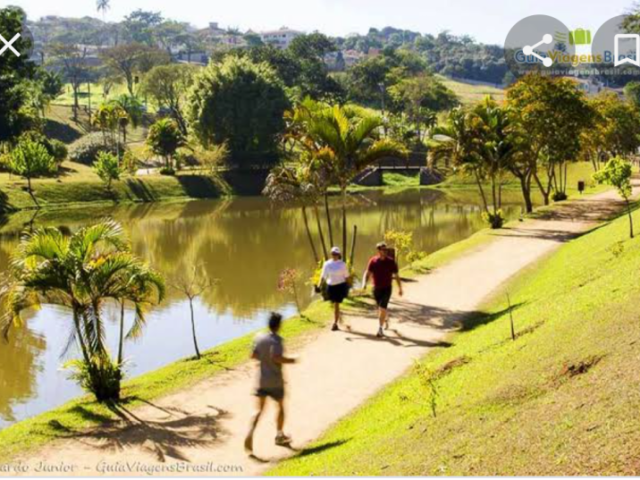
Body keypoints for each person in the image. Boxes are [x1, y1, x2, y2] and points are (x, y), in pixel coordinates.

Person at [245, 312, 297, 455]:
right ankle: (279, 435)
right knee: (280, 407)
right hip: (275, 381)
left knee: (258, 411)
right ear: (279, 325)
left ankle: (250, 432)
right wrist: (292, 360)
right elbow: (276, 357)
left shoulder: (259, 337)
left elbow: (253, 355)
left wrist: (264, 359)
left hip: (261, 380)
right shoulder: (277, 340)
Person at [362, 242, 403, 338]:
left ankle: (380, 329)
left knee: (382, 307)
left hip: (387, 288)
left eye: (386, 250)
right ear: (379, 251)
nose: (385, 251)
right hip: (376, 288)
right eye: (383, 250)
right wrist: (364, 283)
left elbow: (396, 276)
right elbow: (367, 273)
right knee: (380, 308)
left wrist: (400, 288)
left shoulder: (391, 262)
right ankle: (385, 319)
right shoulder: (373, 261)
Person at [318, 246, 350, 331]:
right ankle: (339, 315)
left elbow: (346, 277)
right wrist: (318, 285)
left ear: (339, 254)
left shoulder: (342, 264)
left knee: (336, 304)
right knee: (334, 304)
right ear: (331, 254)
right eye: (333, 254)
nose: (334, 255)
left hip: (340, 286)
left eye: (336, 254)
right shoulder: (327, 264)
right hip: (330, 287)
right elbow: (323, 276)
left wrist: (347, 287)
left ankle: (335, 323)